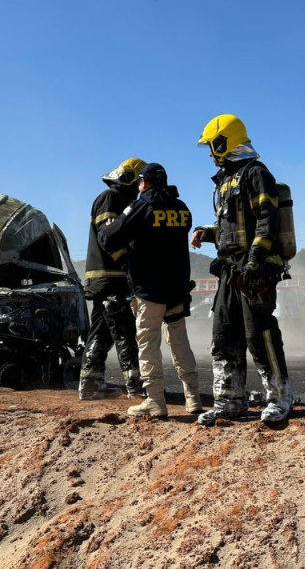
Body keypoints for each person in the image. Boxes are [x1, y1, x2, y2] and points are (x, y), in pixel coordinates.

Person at [191, 114, 294, 425]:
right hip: (229, 269)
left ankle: (279, 397)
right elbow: (233, 227)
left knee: (259, 334)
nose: (210, 153)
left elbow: (267, 220)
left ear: (225, 142)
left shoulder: (256, 173)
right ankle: (230, 400)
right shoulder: (224, 180)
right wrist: (206, 233)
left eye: (212, 146)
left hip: (255, 269)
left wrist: (255, 263)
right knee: (223, 334)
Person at [99, 163, 202, 418]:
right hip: (177, 289)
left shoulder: (143, 206)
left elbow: (111, 237)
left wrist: (107, 226)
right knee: (180, 342)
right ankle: (194, 398)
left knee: (148, 344)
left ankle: (155, 400)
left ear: (144, 182)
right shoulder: (182, 208)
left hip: (150, 291)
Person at [78, 158, 145, 400]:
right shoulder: (112, 198)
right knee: (125, 331)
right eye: (140, 181)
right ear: (131, 180)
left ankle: (90, 384)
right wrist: (128, 265)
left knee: (101, 333)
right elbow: (109, 240)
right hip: (111, 279)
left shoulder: (120, 200)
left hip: (104, 280)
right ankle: (136, 387)